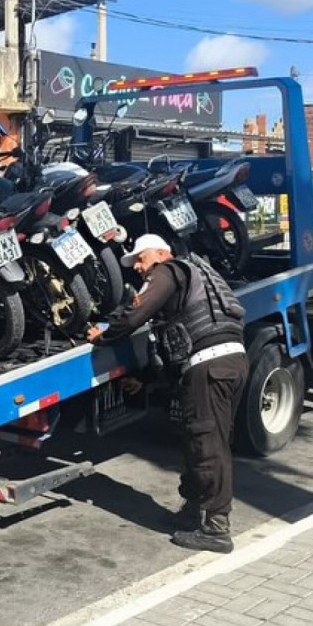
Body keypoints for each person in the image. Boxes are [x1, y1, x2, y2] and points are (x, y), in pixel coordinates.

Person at [87, 234, 248, 553]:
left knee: (207, 444)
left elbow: (136, 314)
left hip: (209, 366)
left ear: (161, 253)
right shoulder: (197, 275)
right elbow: (170, 342)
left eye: (141, 258)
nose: (138, 267)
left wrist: (102, 336)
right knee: (201, 439)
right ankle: (192, 511)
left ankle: (216, 529)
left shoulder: (167, 271)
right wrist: (148, 380)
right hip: (230, 362)